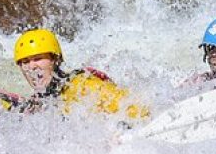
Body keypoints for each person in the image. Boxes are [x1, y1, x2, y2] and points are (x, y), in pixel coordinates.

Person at [12, 28, 146, 120]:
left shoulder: (81, 84)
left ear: (55, 60)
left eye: (38, 59)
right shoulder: (38, 103)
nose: (32, 66)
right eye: (25, 62)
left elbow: (137, 110)